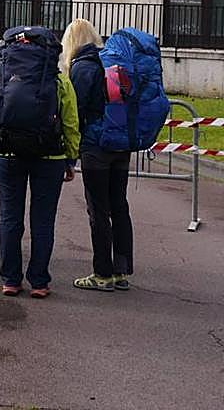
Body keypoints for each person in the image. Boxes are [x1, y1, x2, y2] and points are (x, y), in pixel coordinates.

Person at [0, 27, 79, 298]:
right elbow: (71, 122)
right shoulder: (59, 81)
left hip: (8, 154)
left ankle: (10, 279)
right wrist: (71, 158)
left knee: (10, 217)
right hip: (49, 156)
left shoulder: (6, 74)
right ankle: (39, 281)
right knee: (43, 220)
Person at [62, 19, 133, 293]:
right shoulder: (111, 64)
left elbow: (75, 112)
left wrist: (70, 156)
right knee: (120, 206)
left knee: (98, 210)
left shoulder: (82, 67)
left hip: (96, 147)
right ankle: (121, 271)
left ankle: (102, 272)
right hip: (121, 145)